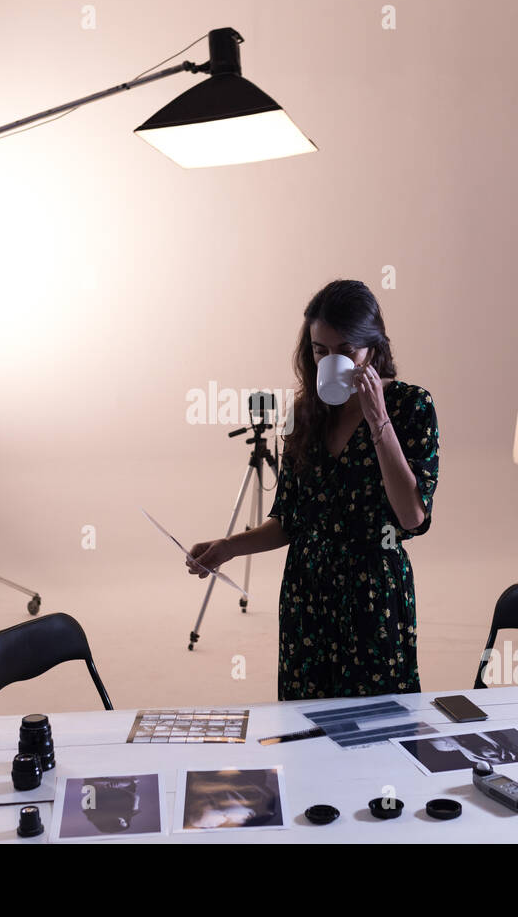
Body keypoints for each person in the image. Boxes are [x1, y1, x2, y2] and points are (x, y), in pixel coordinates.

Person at [186, 279, 439, 700]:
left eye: (346, 351)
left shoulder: (412, 407)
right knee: (304, 734)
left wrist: (379, 421)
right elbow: (289, 521)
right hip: (307, 597)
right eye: (321, 350)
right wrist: (228, 548)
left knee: (378, 734)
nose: (331, 360)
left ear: (372, 349)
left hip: (372, 597)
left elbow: (412, 516)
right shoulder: (304, 416)